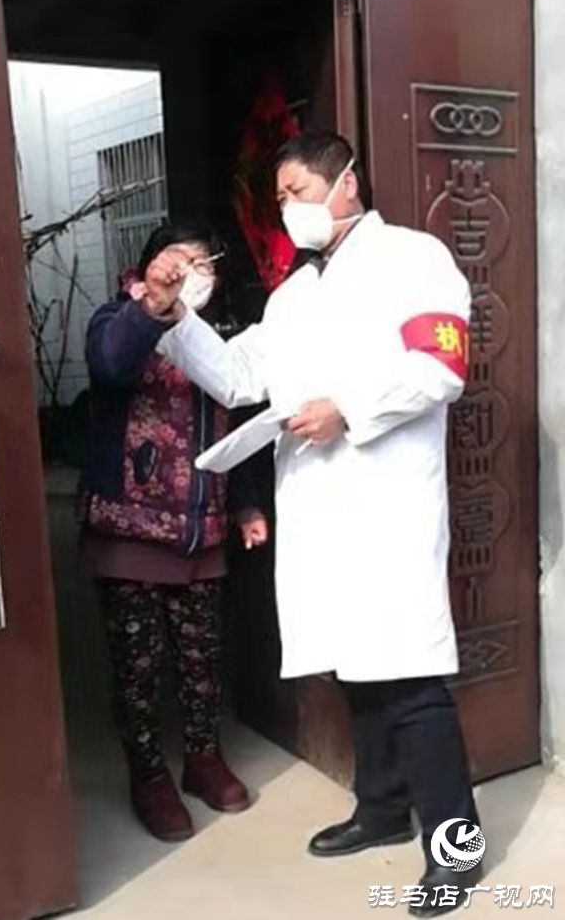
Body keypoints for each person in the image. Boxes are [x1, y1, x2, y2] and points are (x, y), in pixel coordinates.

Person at [145, 133, 482, 915]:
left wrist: (348, 410)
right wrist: (174, 317)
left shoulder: (416, 259)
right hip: (319, 510)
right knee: (355, 667)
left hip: (387, 503)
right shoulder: (293, 294)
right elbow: (239, 375)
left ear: (346, 183)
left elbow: (440, 367)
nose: (288, 208)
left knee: (409, 674)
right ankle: (382, 807)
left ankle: (454, 847)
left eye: (297, 191)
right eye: (281, 198)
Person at [78, 223, 268, 843]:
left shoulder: (218, 340)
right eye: (177, 260)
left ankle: (203, 759)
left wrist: (246, 505)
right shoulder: (117, 318)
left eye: (202, 261)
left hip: (201, 529)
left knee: (201, 657)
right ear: (148, 267)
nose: (191, 272)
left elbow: (241, 423)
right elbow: (110, 367)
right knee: (137, 667)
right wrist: (151, 310)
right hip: (127, 529)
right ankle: (149, 775)